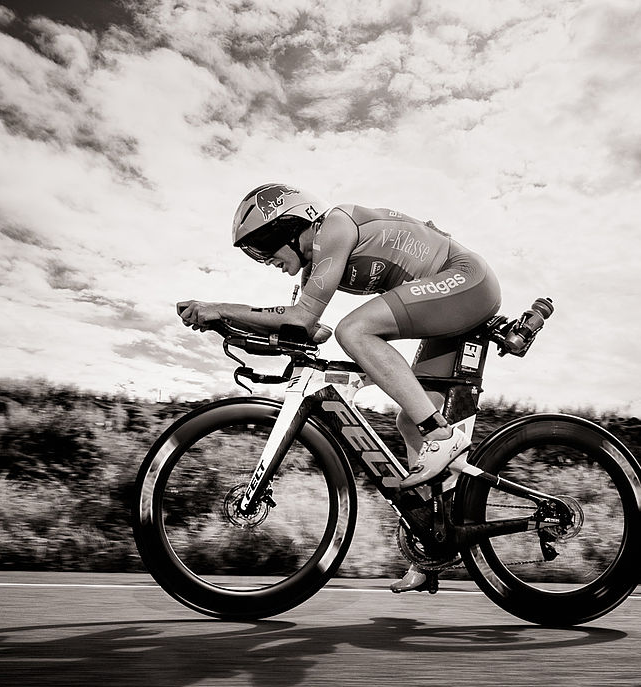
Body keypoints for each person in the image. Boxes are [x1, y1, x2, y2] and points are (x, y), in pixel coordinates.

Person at [177, 183, 501, 593]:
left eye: (263, 248)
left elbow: (304, 316)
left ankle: (441, 435)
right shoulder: (316, 266)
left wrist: (221, 306)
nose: (265, 261)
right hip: (452, 295)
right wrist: (229, 324)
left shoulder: (333, 227)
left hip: (465, 282)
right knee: (409, 420)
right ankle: (435, 543)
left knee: (357, 331)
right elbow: (306, 328)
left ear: (289, 227)